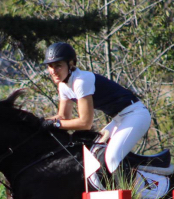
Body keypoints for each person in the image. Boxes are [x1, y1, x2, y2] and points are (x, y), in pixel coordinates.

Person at [42, 42, 151, 174]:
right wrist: (39, 122)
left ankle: (131, 193)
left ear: (70, 64)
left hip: (136, 115)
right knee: (94, 155)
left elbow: (85, 123)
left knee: (111, 158)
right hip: (119, 119)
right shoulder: (63, 86)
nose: (53, 71)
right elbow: (63, 117)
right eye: (50, 66)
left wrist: (55, 124)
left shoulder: (81, 81)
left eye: (58, 66)